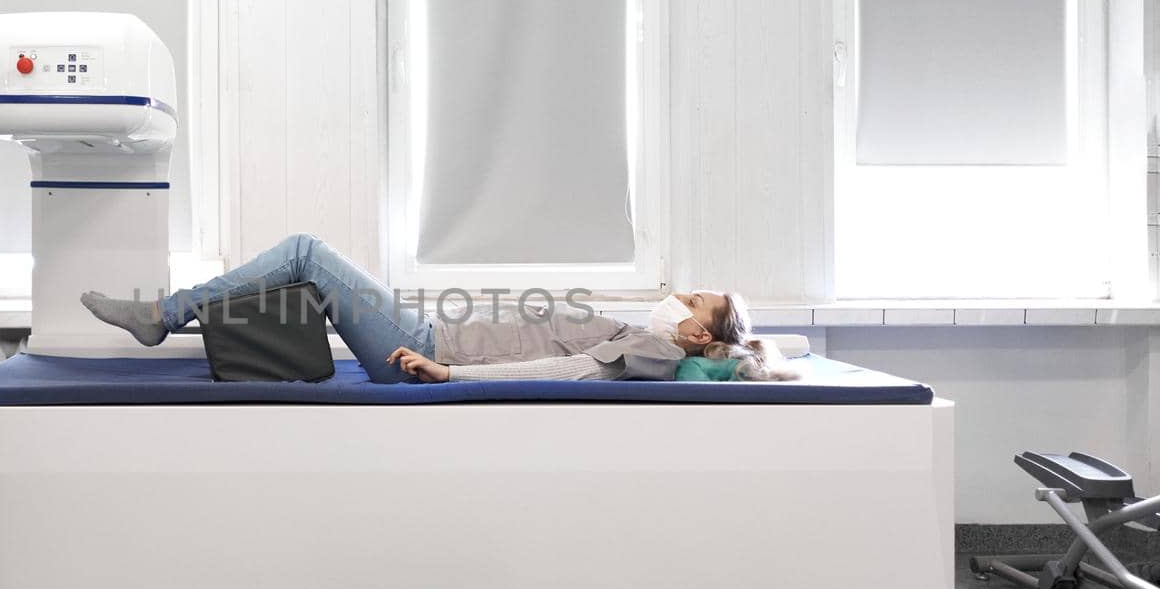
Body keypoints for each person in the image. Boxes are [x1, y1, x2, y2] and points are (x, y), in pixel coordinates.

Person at [81, 233, 794, 383]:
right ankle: (176, 314)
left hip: (429, 345)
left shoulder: (656, 350)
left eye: (692, 296)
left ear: (697, 327)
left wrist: (447, 375)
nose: (680, 294)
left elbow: (567, 373)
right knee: (304, 267)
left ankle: (164, 315)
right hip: (434, 336)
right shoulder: (650, 335)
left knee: (304, 252)